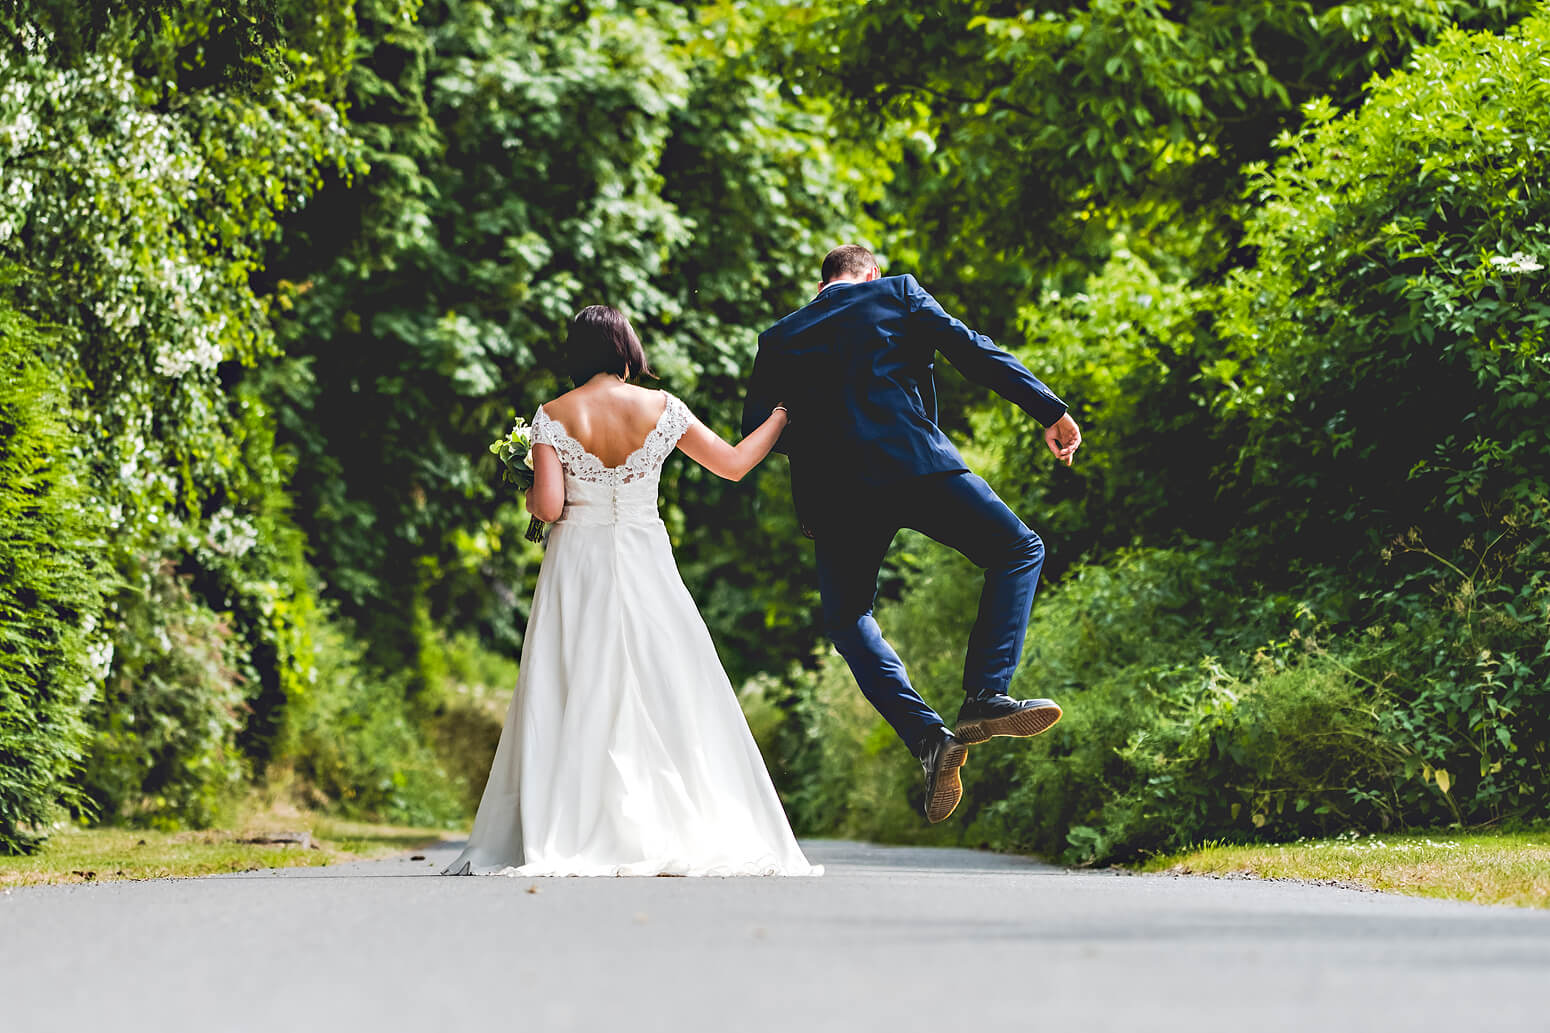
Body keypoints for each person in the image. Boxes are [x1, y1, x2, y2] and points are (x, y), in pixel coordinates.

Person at [444, 305, 819, 877]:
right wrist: (783, 414)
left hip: (578, 563)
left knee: (577, 679)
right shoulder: (664, 409)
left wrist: (528, 488)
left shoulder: (552, 415)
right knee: (668, 680)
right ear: (627, 350)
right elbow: (736, 464)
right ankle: (678, 818)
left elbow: (548, 507)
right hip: (645, 558)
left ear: (577, 353)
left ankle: (575, 819)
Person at [743, 245, 1082, 824]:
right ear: (868, 273)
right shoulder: (896, 292)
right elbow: (972, 352)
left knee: (849, 622)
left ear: (822, 282)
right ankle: (984, 696)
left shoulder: (780, 338)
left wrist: (823, 428)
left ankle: (930, 740)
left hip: (837, 496)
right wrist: (1050, 409)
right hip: (916, 464)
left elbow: (761, 431)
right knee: (1018, 550)